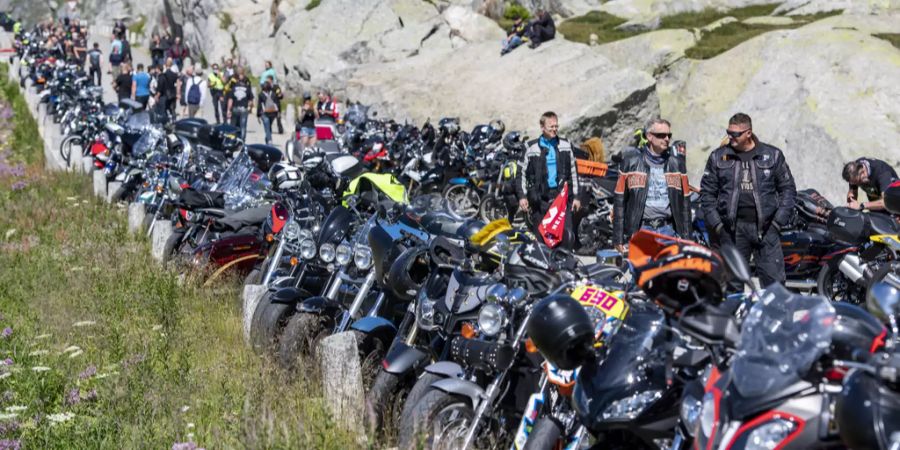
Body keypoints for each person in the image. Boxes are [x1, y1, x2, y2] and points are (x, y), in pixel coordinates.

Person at [700, 113, 797, 287]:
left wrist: (777, 223)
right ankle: (735, 315)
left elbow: (788, 190)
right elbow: (707, 194)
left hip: (767, 230)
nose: (730, 137)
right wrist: (718, 226)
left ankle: (772, 315)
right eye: (728, 132)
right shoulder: (718, 157)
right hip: (732, 231)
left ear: (748, 133)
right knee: (731, 285)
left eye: (735, 134)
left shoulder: (772, 155)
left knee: (774, 285)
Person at [612, 119, 692, 254]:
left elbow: (685, 203)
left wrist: (687, 237)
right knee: (641, 274)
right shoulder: (630, 163)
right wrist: (618, 238)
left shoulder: (677, 164)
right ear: (649, 136)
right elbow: (619, 202)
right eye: (661, 135)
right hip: (641, 231)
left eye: (669, 135)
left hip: (668, 232)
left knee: (669, 274)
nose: (667, 139)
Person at [516, 111, 581, 247]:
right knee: (541, 241)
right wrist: (522, 196)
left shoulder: (566, 145)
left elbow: (574, 172)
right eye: (551, 126)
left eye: (556, 126)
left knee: (565, 238)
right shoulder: (530, 147)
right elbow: (520, 173)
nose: (554, 129)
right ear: (542, 127)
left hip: (562, 199)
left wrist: (576, 197)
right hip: (540, 200)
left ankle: (564, 266)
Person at [226, 68, 254, 140]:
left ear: (237, 80)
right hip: (244, 108)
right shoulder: (247, 88)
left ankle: (232, 139)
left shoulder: (234, 88)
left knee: (233, 125)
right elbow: (251, 100)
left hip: (235, 108)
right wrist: (250, 108)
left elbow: (230, 100)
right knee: (243, 126)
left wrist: (229, 110)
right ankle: (242, 140)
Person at [258, 81, 279, 145]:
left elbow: (259, 105)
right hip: (272, 113)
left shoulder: (261, 94)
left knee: (268, 127)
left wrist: (258, 115)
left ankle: (268, 140)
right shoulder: (274, 94)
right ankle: (269, 140)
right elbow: (277, 104)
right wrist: (278, 113)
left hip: (265, 113)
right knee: (268, 126)